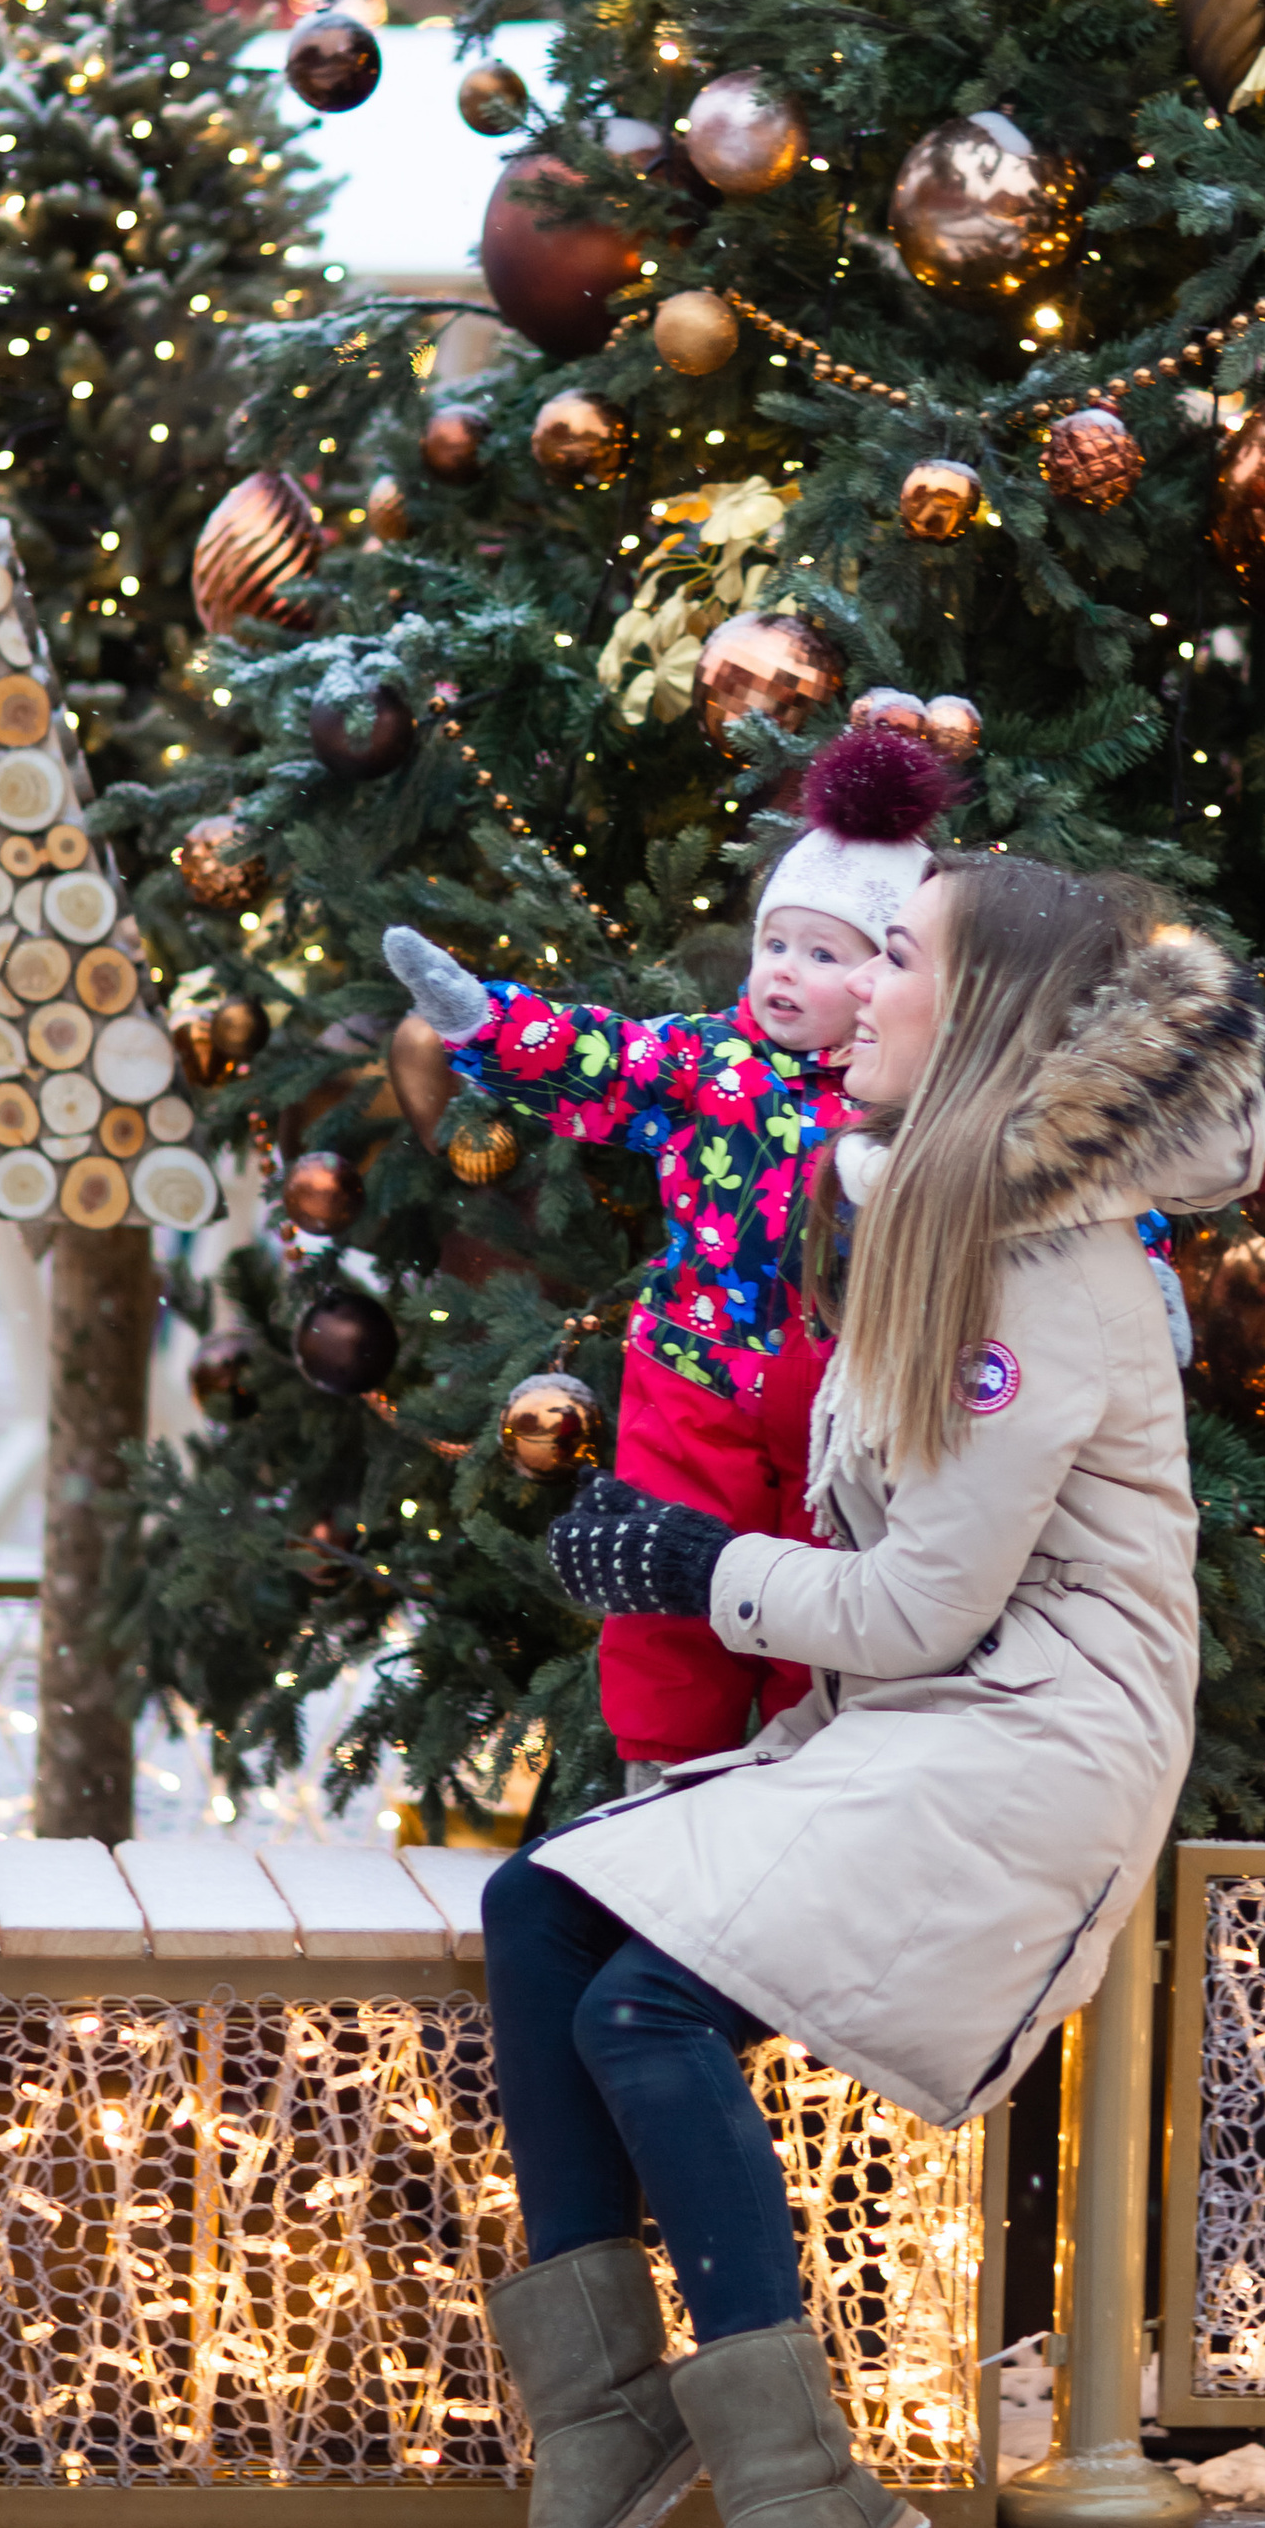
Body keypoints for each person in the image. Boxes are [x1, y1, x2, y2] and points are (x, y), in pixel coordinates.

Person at [476, 857, 1265, 2528]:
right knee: (538, 1913)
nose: (852, 987)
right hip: (918, 1717)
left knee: (647, 2017)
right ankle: (607, 2418)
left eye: (897, 958)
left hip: (1034, 1743)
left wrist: (686, 1569)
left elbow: (919, 1602)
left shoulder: (1039, 1266)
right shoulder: (917, 1202)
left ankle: (795, 2489)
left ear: (974, 1014)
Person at [382, 726, 953, 1778]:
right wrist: (482, 1023)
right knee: (663, 1591)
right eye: (774, 945)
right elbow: (600, 1057)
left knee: (822, 1594)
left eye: (824, 956)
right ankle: (657, 1776)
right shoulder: (708, 1061)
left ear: (885, 980)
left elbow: (1039, 1170)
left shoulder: (914, 1096)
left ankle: (803, 1782)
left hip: (848, 1396)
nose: (784, 973)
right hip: (692, 1377)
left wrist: (1142, 1258)